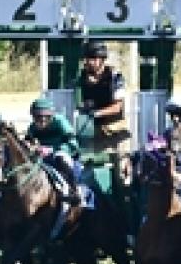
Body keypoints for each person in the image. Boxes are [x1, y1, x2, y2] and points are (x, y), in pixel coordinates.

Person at [78, 40, 131, 190]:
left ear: (101, 60)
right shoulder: (82, 78)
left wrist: (96, 113)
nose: (88, 63)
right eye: (86, 59)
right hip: (95, 134)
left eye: (92, 59)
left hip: (116, 133)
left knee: (121, 174)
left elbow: (117, 106)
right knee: (89, 171)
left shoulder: (115, 76)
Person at [27, 96, 82, 207]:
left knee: (60, 157)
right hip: (42, 157)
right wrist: (31, 147)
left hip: (62, 152)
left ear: (51, 115)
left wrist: (52, 149)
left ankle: (74, 191)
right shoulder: (32, 128)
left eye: (46, 116)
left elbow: (73, 144)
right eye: (38, 117)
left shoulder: (60, 121)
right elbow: (28, 144)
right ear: (33, 116)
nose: (42, 120)